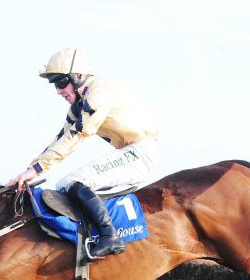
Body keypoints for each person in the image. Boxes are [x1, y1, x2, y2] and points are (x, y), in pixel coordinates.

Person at [8, 48, 159, 260]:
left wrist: (38, 169)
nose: (58, 91)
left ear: (77, 76)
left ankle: (109, 236)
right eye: (54, 84)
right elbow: (61, 138)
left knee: (73, 181)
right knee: (63, 184)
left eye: (61, 82)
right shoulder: (78, 105)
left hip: (140, 153)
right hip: (131, 151)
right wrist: (32, 168)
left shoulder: (99, 92)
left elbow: (78, 134)